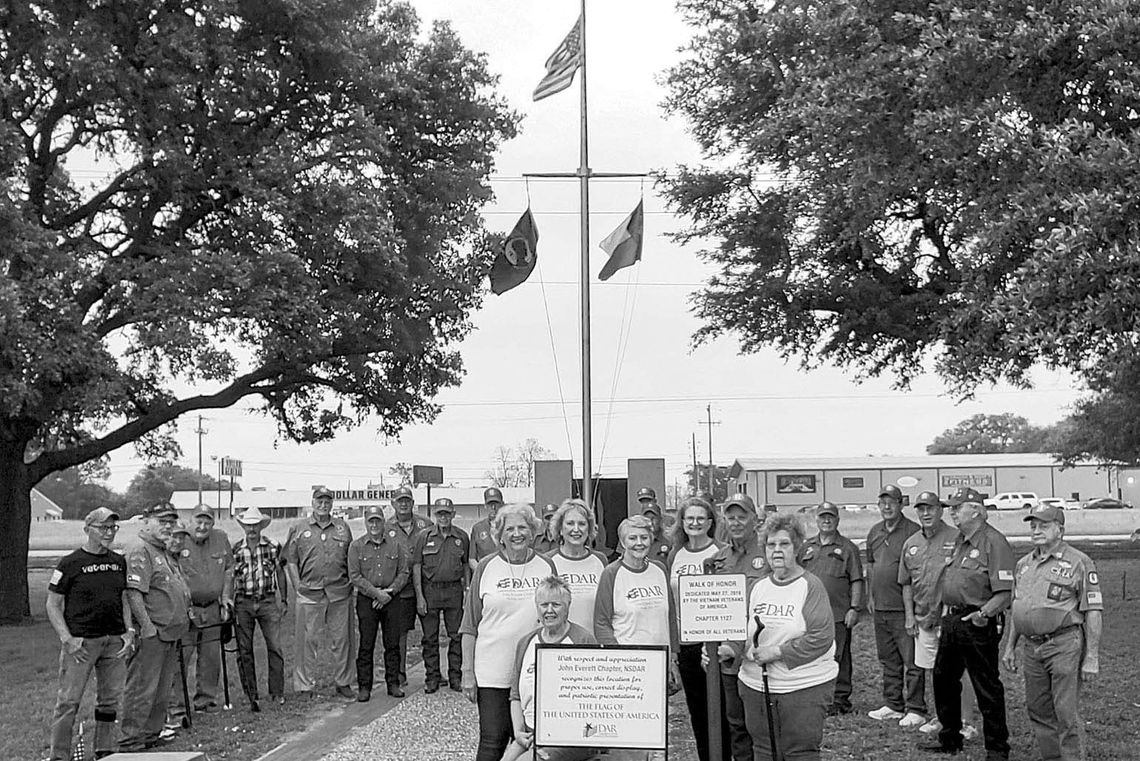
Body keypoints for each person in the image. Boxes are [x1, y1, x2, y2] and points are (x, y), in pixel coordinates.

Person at [1002, 504, 1102, 761]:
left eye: (1043, 525)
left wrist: (1091, 657)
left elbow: (1093, 610)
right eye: (1033, 525)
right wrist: (1009, 646)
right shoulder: (1024, 564)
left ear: (1061, 530)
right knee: (1037, 709)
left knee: (1065, 712)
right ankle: (1052, 757)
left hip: (1063, 644)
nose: (1036, 531)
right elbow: (1018, 606)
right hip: (1031, 647)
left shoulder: (1079, 562)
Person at [460, 503, 557, 761]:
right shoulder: (485, 567)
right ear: (499, 535)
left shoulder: (546, 566)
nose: (517, 534)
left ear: (533, 531)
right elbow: (469, 625)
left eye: (523, 527)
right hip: (492, 670)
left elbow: (556, 616)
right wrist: (467, 672)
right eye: (510, 529)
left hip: (534, 671)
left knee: (530, 741)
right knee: (493, 740)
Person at [923, 487, 1014, 760]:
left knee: (985, 685)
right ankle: (950, 737)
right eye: (951, 507)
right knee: (943, 678)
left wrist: (983, 614)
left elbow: (1005, 592)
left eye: (957, 507)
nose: (951, 512)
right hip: (953, 619)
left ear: (975, 510)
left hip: (979, 620)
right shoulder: (960, 540)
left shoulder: (994, 542)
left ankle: (997, 748)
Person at [738, 512, 837, 761]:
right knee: (763, 751)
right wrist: (729, 649)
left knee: (799, 753)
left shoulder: (810, 586)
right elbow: (741, 630)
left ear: (797, 548)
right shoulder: (758, 587)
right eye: (771, 545)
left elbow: (821, 637)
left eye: (785, 544)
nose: (777, 551)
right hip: (756, 687)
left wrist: (778, 652)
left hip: (802, 688)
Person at [46, 507, 134, 761]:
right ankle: (59, 755)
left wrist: (128, 631)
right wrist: (67, 638)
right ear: (87, 530)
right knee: (68, 702)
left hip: (113, 642)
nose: (109, 533)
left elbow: (123, 598)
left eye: (113, 528)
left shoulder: (118, 561)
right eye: (103, 528)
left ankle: (105, 750)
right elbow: (52, 604)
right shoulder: (70, 563)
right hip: (82, 643)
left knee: (109, 701)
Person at [899, 492, 979, 739]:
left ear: (940, 510)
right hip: (923, 618)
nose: (926, 513)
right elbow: (906, 584)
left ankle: (966, 721)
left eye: (931, 508)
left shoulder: (957, 538)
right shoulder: (911, 543)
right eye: (921, 509)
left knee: (959, 671)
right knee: (936, 670)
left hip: (950, 617)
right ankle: (942, 716)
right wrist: (910, 616)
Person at [119, 503, 192, 752]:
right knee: (142, 688)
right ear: (146, 521)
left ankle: (151, 733)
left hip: (169, 632)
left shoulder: (162, 551)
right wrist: (147, 627)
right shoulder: (141, 550)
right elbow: (133, 592)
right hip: (152, 632)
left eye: (171, 522)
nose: (168, 526)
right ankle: (131, 739)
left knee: (161, 690)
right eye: (162, 521)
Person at [504, 576, 599, 761]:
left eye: (556, 605)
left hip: (570, 738)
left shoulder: (583, 641)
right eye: (543, 605)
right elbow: (515, 696)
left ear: (568, 606)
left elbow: (594, 699)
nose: (549, 611)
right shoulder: (526, 643)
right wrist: (518, 732)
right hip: (531, 733)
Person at [707, 493, 768, 761]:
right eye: (730, 517)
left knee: (763, 724)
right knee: (736, 723)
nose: (736, 522)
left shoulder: (769, 554)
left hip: (761, 652)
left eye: (742, 516)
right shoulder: (716, 560)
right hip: (729, 655)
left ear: (754, 519)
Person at [283, 486, 355, 699]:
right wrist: (297, 587)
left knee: (343, 640)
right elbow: (290, 560)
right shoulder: (298, 528)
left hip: (339, 593)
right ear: (312, 502)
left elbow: (352, 558)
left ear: (332, 503)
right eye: (319, 500)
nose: (323, 504)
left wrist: (350, 582)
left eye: (327, 501)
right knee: (306, 641)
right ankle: (304, 685)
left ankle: (344, 682)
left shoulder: (343, 528)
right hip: (309, 593)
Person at [667, 497, 725, 761]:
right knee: (698, 713)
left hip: (715, 645)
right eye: (689, 518)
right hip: (688, 645)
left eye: (701, 518)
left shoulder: (720, 552)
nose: (695, 523)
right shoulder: (675, 555)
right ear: (682, 522)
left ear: (710, 522)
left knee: (723, 712)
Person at [593, 516, 679, 689]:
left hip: (660, 660)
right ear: (623, 543)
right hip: (628, 666)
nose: (639, 543)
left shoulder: (660, 570)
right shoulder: (611, 573)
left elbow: (669, 615)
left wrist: (674, 656)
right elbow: (601, 623)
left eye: (644, 537)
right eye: (632, 538)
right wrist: (619, 659)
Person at [167, 505, 233, 725]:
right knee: (181, 659)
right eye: (199, 521)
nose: (202, 526)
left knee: (211, 658)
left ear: (213, 524)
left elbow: (228, 570)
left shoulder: (221, 538)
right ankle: (177, 708)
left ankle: (206, 701)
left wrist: (225, 598)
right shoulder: (179, 539)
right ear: (190, 520)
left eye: (207, 522)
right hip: (187, 609)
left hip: (213, 608)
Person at [866, 484, 925, 726]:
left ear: (901, 504)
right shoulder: (875, 532)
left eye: (892, 502)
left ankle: (916, 708)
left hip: (904, 608)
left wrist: (913, 610)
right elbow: (870, 564)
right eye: (883, 502)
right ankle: (893, 704)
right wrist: (870, 596)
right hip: (881, 608)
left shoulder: (913, 531)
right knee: (888, 660)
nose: (887, 507)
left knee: (911, 661)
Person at [798, 501, 864, 716]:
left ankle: (840, 698)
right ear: (816, 520)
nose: (826, 520)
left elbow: (856, 580)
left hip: (838, 613)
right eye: (822, 517)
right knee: (812, 653)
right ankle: (815, 695)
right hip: (809, 613)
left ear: (837, 520)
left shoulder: (847, 548)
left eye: (831, 517)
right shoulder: (805, 547)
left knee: (839, 656)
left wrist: (854, 608)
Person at [349, 504, 410, 701]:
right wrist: (376, 593)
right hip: (368, 600)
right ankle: (364, 686)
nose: (374, 524)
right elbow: (355, 576)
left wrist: (389, 593)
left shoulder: (396, 545)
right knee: (366, 644)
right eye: (371, 521)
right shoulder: (356, 547)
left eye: (378, 520)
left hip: (392, 599)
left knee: (392, 644)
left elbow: (404, 572)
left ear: (384, 522)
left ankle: (393, 683)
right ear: (366, 523)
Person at [231, 506, 287, 712]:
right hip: (243, 602)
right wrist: (228, 601)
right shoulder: (236, 549)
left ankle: (277, 692)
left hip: (267, 601)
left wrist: (284, 599)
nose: (252, 529)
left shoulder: (273, 546)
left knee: (275, 647)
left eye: (255, 525)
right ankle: (250, 694)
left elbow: (280, 572)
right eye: (248, 525)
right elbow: (230, 576)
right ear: (243, 526)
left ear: (260, 526)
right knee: (244, 649)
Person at [413, 497, 470, 694]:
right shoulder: (424, 536)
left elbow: (465, 565)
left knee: (456, 635)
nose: (443, 517)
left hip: (454, 591)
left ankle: (455, 676)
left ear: (453, 514)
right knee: (430, 637)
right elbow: (417, 566)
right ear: (435, 515)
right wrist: (419, 596)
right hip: (430, 590)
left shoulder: (461, 536)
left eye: (447, 513)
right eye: (440, 514)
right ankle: (432, 677)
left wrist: (467, 590)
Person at [385, 486, 430, 689]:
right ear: (393, 504)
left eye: (407, 500)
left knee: (430, 631)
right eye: (399, 500)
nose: (403, 504)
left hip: (425, 586)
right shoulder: (386, 527)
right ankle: (400, 673)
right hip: (401, 589)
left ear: (413, 503)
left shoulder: (425, 524)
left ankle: (433, 673)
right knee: (400, 632)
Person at [544, 499, 608, 632]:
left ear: (589, 529)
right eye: (570, 523)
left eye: (582, 524)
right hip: (560, 643)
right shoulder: (548, 561)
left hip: (594, 642)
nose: (576, 529)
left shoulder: (600, 560)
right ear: (560, 529)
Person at [470, 486, 504, 568]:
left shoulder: (510, 526)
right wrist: (482, 572)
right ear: (485, 506)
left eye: (496, 504)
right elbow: (472, 559)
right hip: (485, 573)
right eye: (490, 504)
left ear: (502, 504)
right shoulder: (478, 528)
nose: (493, 507)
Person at [641, 501, 672, 565]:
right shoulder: (636, 541)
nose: (650, 522)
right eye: (647, 518)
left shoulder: (669, 541)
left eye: (653, 518)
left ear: (660, 519)